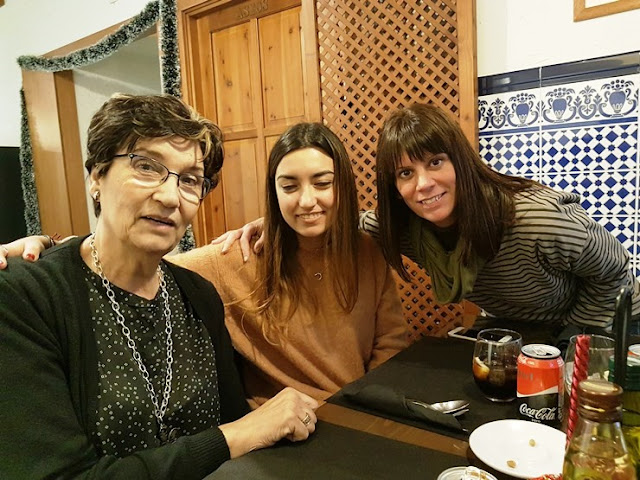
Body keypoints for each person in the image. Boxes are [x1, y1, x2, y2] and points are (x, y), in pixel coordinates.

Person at [0, 94, 318, 479]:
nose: (170, 197)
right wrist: (233, 436)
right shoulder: (26, 298)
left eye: (190, 180)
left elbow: (236, 426)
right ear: (97, 176)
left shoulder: (198, 295)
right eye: (146, 166)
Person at [0, 122, 408, 408]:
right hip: (289, 432)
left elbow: (391, 342)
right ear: (274, 192)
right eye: (289, 186)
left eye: (322, 183)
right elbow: (135, 261)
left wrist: (366, 406)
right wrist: (50, 246)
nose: (306, 200)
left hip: (364, 417)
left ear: (342, 185)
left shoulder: (368, 251)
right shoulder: (240, 256)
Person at [193, 103, 640, 334]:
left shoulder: (535, 218)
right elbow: (337, 220)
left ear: (461, 161)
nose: (423, 184)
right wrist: (272, 222)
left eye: (435, 162)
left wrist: (576, 340)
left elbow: (616, 270)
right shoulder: (404, 230)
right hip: (521, 328)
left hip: (612, 322)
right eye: (405, 173)